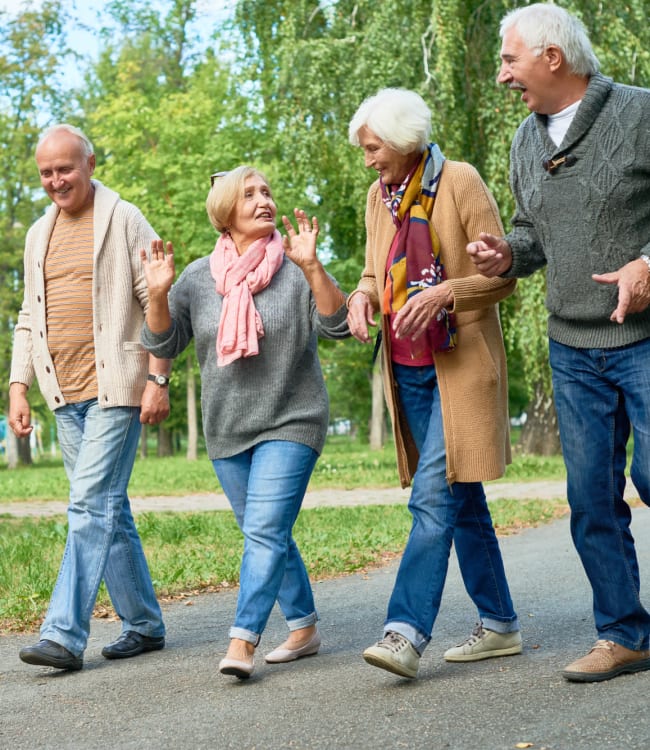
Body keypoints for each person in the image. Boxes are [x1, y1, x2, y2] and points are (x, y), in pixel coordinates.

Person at [467, 3, 650, 683]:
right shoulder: (524, 141)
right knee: (590, 500)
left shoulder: (639, 113)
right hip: (573, 348)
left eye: (509, 60)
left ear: (552, 58)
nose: (501, 75)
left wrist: (646, 265)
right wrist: (503, 257)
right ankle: (624, 633)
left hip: (643, 339)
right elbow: (530, 236)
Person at [140, 165, 349, 679]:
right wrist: (160, 296)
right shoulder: (195, 278)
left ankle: (243, 640)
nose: (264, 200)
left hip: (292, 418)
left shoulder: (296, 264)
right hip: (228, 427)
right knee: (267, 533)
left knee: (263, 530)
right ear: (225, 212)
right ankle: (303, 628)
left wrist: (315, 268)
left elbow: (338, 325)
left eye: (268, 192)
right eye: (250, 194)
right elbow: (164, 344)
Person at [346, 88, 521, 680]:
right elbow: (375, 270)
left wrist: (448, 290)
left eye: (373, 148)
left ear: (402, 141)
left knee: (431, 500)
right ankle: (499, 624)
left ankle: (404, 632)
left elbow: (503, 277)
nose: (368, 159)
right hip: (409, 371)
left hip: (461, 370)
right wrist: (362, 296)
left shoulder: (461, 181)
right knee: (460, 497)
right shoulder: (379, 197)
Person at [9, 124, 170, 671]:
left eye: (65, 168)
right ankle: (145, 624)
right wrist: (18, 386)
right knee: (109, 509)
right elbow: (29, 317)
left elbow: (156, 296)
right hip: (64, 391)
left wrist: (159, 377)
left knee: (87, 505)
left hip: (116, 386)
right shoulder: (38, 234)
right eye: (46, 173)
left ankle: (62, 634)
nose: (56, 180)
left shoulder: (123, 217)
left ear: (90, 163)